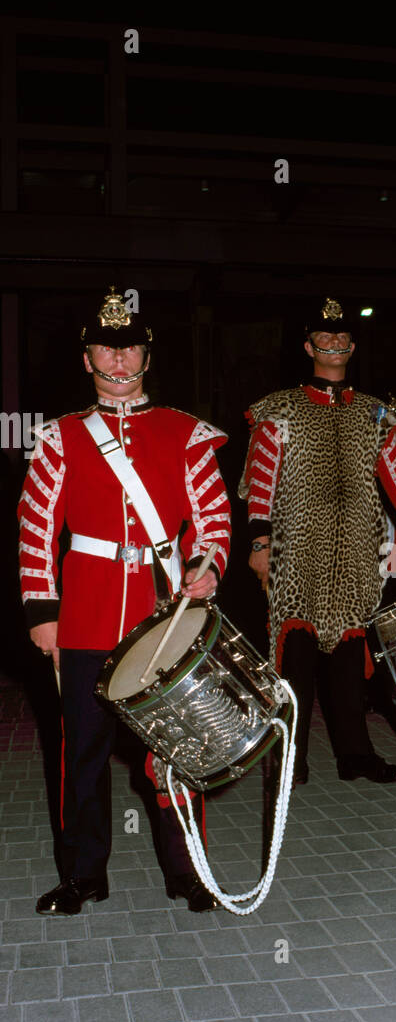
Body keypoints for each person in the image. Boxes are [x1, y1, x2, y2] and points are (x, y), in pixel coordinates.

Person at [18, 288, 231, 915]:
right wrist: (42, 612)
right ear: (87, 358)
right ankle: (84, 873)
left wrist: (208, 563)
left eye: (129, 347)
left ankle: (188, 871)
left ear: (146, 354)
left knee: (173, 751)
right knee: (80, 751)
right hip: (83, 615)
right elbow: (36, 526)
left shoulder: (185, 431)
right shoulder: (59, 437)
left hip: (162, 617)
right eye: (106, 349)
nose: (118, 360)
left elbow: (213, 517)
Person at [239, 297, 396, 784]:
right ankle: (290, 758)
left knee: (351, 658)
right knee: (295, 657)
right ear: (309, 346)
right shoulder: (279, 408)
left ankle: (355, 754)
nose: (334, 345)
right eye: (324, 338)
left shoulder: (375, 413)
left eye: (342, 337)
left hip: (355, 551)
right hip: (295, 548)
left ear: (352, 345)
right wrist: (260, 543)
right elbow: (261, 480)